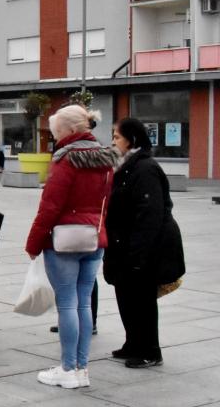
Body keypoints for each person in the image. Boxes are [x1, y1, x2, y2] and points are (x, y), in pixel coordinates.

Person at [25, 104, 116, 390]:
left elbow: (50, 206)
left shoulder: (65, 160)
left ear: (71, 130)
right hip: (94, 238)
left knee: (66, 304)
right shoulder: (106, 159)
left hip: (64, 240)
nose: (55, 138)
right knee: (84, 303)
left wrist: (33, 242)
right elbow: (106, 202)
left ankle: (67, 369)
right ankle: (81, 369)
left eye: (57, 132)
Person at [104, 117, 185, 369]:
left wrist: (138, 253)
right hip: (123, 243)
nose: (113, 141)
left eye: (117, 137)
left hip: (145, 246)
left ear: (132, 140)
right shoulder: (126, 166)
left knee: (142, 299)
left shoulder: (145, 168)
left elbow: (150, 213)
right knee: (126, 295)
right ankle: (133, 343)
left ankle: (150, 350)